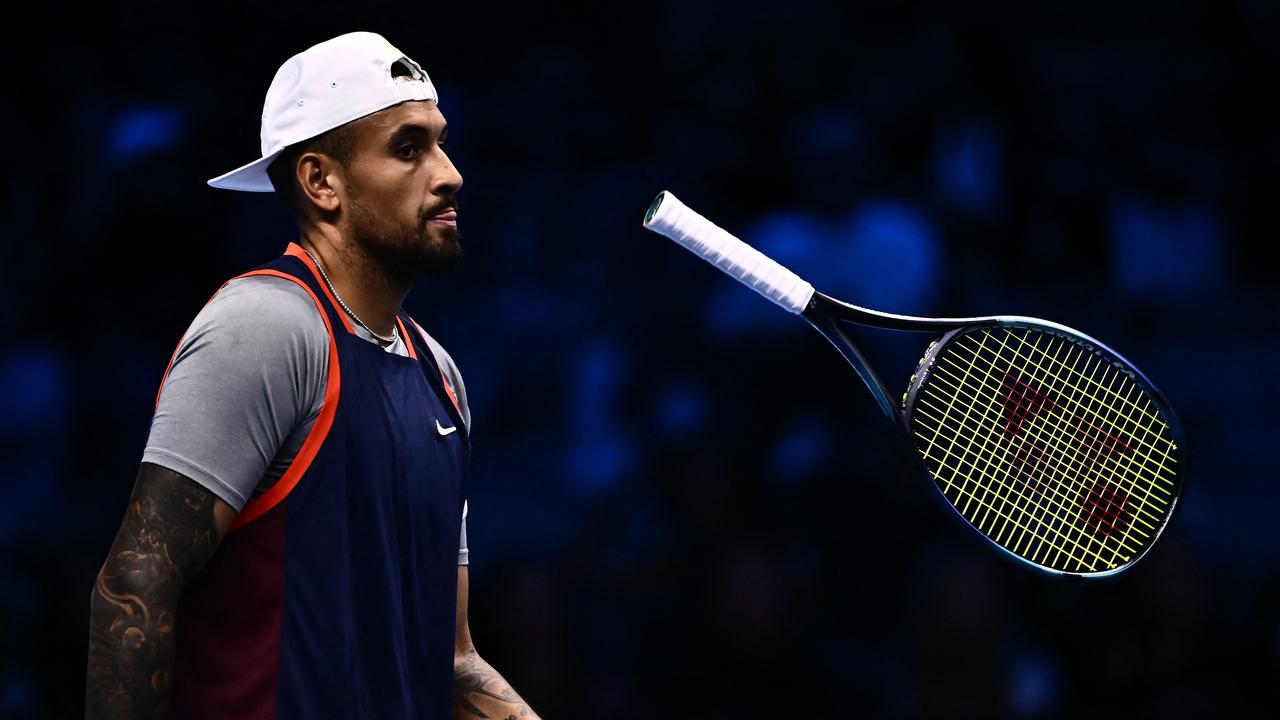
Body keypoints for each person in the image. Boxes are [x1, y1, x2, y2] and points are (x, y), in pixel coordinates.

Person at [86, 31, 540, 720]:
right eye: (409, 148)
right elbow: (135, 588)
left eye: (441, 143)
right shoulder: (266, 329)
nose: (450, 174)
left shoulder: (441, 378)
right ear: (321, 181)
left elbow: (451, 661)